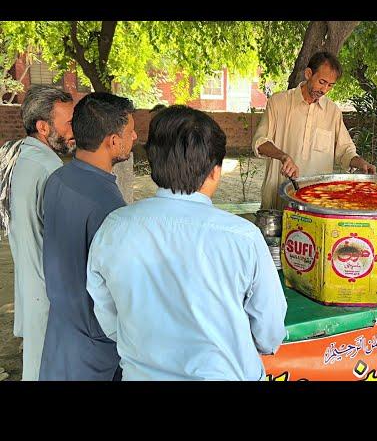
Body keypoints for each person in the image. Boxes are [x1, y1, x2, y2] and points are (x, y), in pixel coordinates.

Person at [87, 105, 287, 380]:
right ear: (216, 171)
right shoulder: (244, 238)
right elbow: (270, 332)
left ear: (153, 164)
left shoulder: (114, 228)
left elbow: (110, 319)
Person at [39, 92, 137, 381]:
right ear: (113, 141)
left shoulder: (58, 179)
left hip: (60, 336)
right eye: (130, 132)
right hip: (95, 352)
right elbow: (117, 290)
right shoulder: (107, 205)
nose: (135, 137)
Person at [0, 85, 74, 380]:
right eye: (68, 122)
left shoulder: (14, 155)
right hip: (50, 295)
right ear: (44, 127)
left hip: (30, 286)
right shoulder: (51, 170)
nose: (74, 129)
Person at [252, 51, 376, 210]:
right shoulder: (279, 102)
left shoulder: (333, 112)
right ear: (308, 73)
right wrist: (283, 156)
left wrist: (360, 162)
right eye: (322, 82)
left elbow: (345, 151)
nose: (324, 89)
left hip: (318, 204)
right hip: (278, 200)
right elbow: (260, 142)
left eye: (330, 85)